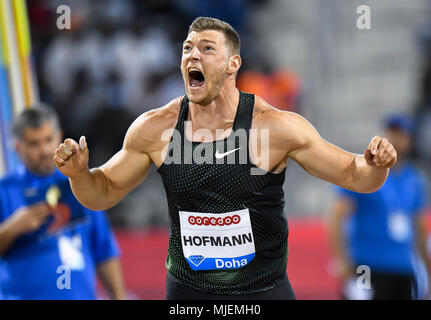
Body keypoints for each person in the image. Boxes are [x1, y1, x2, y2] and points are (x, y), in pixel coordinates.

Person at [53, 17, 397, 300]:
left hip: (264, 292)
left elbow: (355, 176)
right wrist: (79, 174)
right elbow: (102, 193)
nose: (192, 56)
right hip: (190, 295)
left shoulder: (275, 127)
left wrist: (376, 165)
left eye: (206, 49)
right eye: (187, 49)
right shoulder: (155, 128)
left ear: (233, 64)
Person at [0, 106, 126, 300]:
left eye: (48, 140)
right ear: (18, 146)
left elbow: (104, 249)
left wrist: (119, 297)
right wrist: (12, 228)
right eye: (34, 143)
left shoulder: (80, 183)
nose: (44, 151)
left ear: (59, 136)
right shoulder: (4, 190)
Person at [328, 114, 431, 300]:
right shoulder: (365, 171)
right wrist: (342, 260)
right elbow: (338, 215)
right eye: (392, 132)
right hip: (366, 264)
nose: (396, 138)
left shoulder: (414, 180)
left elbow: (419, 226)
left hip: (402, 265)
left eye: (401, 134)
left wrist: (426, 264)